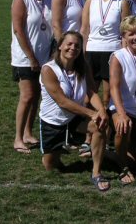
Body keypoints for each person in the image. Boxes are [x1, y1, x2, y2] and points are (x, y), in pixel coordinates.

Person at [39, 31, 110, 192]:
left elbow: (91, 91)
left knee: (99, 125)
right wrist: (92, 113)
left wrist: (101, 111)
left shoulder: (83, 66)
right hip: (53, 122)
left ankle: (96, 173)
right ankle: (58, 150)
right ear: (60, 46)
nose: (73, 48)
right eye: (69, 44)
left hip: (75, 119)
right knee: (51, 166)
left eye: (77, 45)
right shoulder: (48, 70)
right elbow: (62, 102)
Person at [11, 0, 53, 154]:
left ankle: (28, 132)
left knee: (37, 96)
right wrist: (31, 57)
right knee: (27, 96)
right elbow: (19, 31)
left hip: (45, 58)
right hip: (25, 58)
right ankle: (18, 138)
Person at [109, 16, 136, 185]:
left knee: (134, 160)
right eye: (131, 34)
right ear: (124, 37)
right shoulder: (118, 57)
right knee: (123, 127)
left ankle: (110, 154)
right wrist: (121, 114)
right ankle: (122, 169)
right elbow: (113, 87)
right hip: (122, 109)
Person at [81, 0, 130, 105]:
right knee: (90, 93)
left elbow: (125, 32)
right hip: (92, 50)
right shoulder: (90, 1)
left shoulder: (122, 2)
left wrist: (125, 54)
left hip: (112, 51)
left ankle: (107, 124)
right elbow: (84, 30)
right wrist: (82, 54)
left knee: (108, 96)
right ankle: (86, 124)